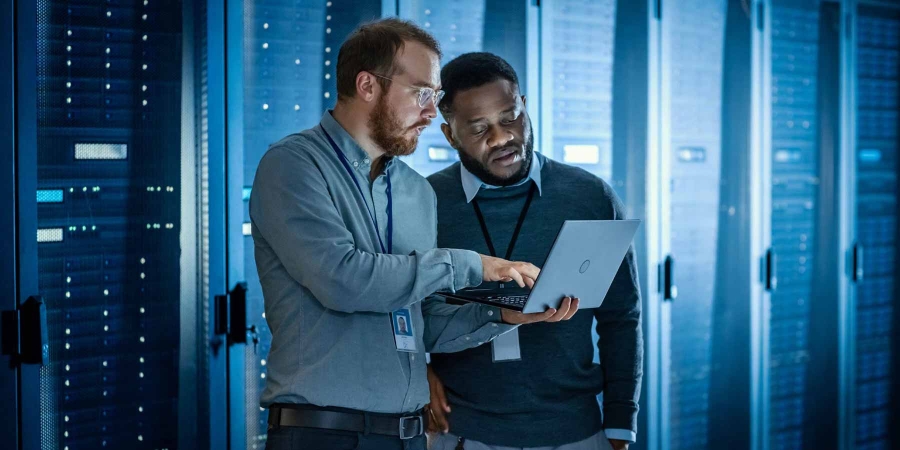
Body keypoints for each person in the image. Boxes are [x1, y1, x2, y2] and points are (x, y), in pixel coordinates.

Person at [250, 21, 579, 450]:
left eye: (435, 97)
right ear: (367, 85)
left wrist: (502, 316)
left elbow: (422, 324)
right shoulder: (293, 166)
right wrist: (473, 264)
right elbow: (343, 280)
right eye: (422, 93)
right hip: (321, 433)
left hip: (406, 435)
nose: (430, 113)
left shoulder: (416, 192)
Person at [425, 52, 643, 450]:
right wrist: (419, 372)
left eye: (510, 117)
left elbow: (621, 318)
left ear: (524, 106)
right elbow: (397, 312)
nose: (502, 138)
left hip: (576, 431)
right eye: (478, 129)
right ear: (450, 135)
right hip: (464, 433)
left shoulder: (589, 196)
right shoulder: (425, 203)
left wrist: (619, 423)